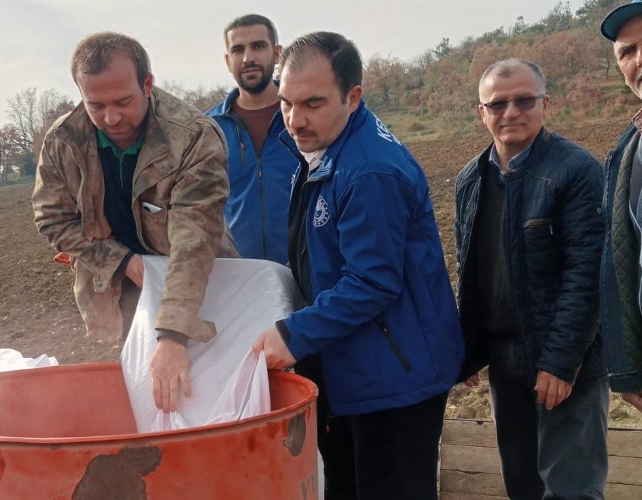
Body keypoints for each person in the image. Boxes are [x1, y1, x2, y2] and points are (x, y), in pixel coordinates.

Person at [252, 32, 464, 500]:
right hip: (355, 356)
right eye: (286, 103)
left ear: (353, 96)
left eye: (312, 103)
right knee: (350, 480)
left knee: (391, 486)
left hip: (395, 370)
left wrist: (293, 334)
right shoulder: (325, 146)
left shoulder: (369, 171)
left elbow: (371, 282)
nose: (294, 120)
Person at [32, 32, 238, 412]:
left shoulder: (192, 137)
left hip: (200, 281)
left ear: (147, 84)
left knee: (209, 390)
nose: (111, 118)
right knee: (143, 394)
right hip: (123, 287)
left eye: (123, 102)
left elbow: (195, 239)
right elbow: (53, 219)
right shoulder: (63, 141)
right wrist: (124, 264)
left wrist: (174, 335)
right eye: (96, 105)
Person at [455, 59, 608, 499]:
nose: (511, 112)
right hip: (506, 359)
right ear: (480, 112)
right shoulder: (472, 178)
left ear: (546, 104)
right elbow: (472, 269)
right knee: (521, 483)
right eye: (497, 103)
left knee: (570, 487)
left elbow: (587, 273)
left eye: (524, 100)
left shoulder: (576, 171)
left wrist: (561, 362)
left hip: (566, 362)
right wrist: (467, 350)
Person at [206, 14, 296, 263]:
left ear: (277, 53)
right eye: (238, 50)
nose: (248, 58)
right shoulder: (208, 130)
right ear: (228, 60)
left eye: (258, 46)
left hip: (307, 274)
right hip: (239, 278)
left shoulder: (304, 117)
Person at [599, 0, 642, 412]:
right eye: (627, 52)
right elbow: (622, 262)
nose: (639, 58)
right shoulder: (628, 151)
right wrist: (629, 370)